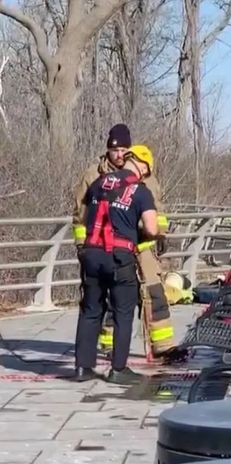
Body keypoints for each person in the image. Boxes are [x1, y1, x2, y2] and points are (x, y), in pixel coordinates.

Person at [69, 151, 159, 384]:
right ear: (141, 166)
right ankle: (118, 369)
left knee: (90, 310)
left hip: (92, 254)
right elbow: (151, 228)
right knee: (123, 312)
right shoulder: (140, 191)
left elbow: (85, 215)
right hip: (119, 258)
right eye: (146, 171)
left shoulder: (98, 183)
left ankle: (82, 367)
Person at [72, 124, 133, 354]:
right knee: (93, 301)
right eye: (115, 150)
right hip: (95, 247)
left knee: (122, 302)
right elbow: (79, 213)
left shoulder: (134, 175)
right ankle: (97, 348)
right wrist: (81, 245)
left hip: (121, 249)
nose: (119, 155)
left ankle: (111, 348)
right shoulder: (92, 175)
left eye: (124, 150)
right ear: (108, 150)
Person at [125, 144, 174, 357]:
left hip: (145, 246)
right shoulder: (108, 180)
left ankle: (163, 345)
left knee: (154, 294)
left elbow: (158, 212)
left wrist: (160, 233)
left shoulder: (150, 183)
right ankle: (110, 344)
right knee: (118, 297)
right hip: (119, 247)